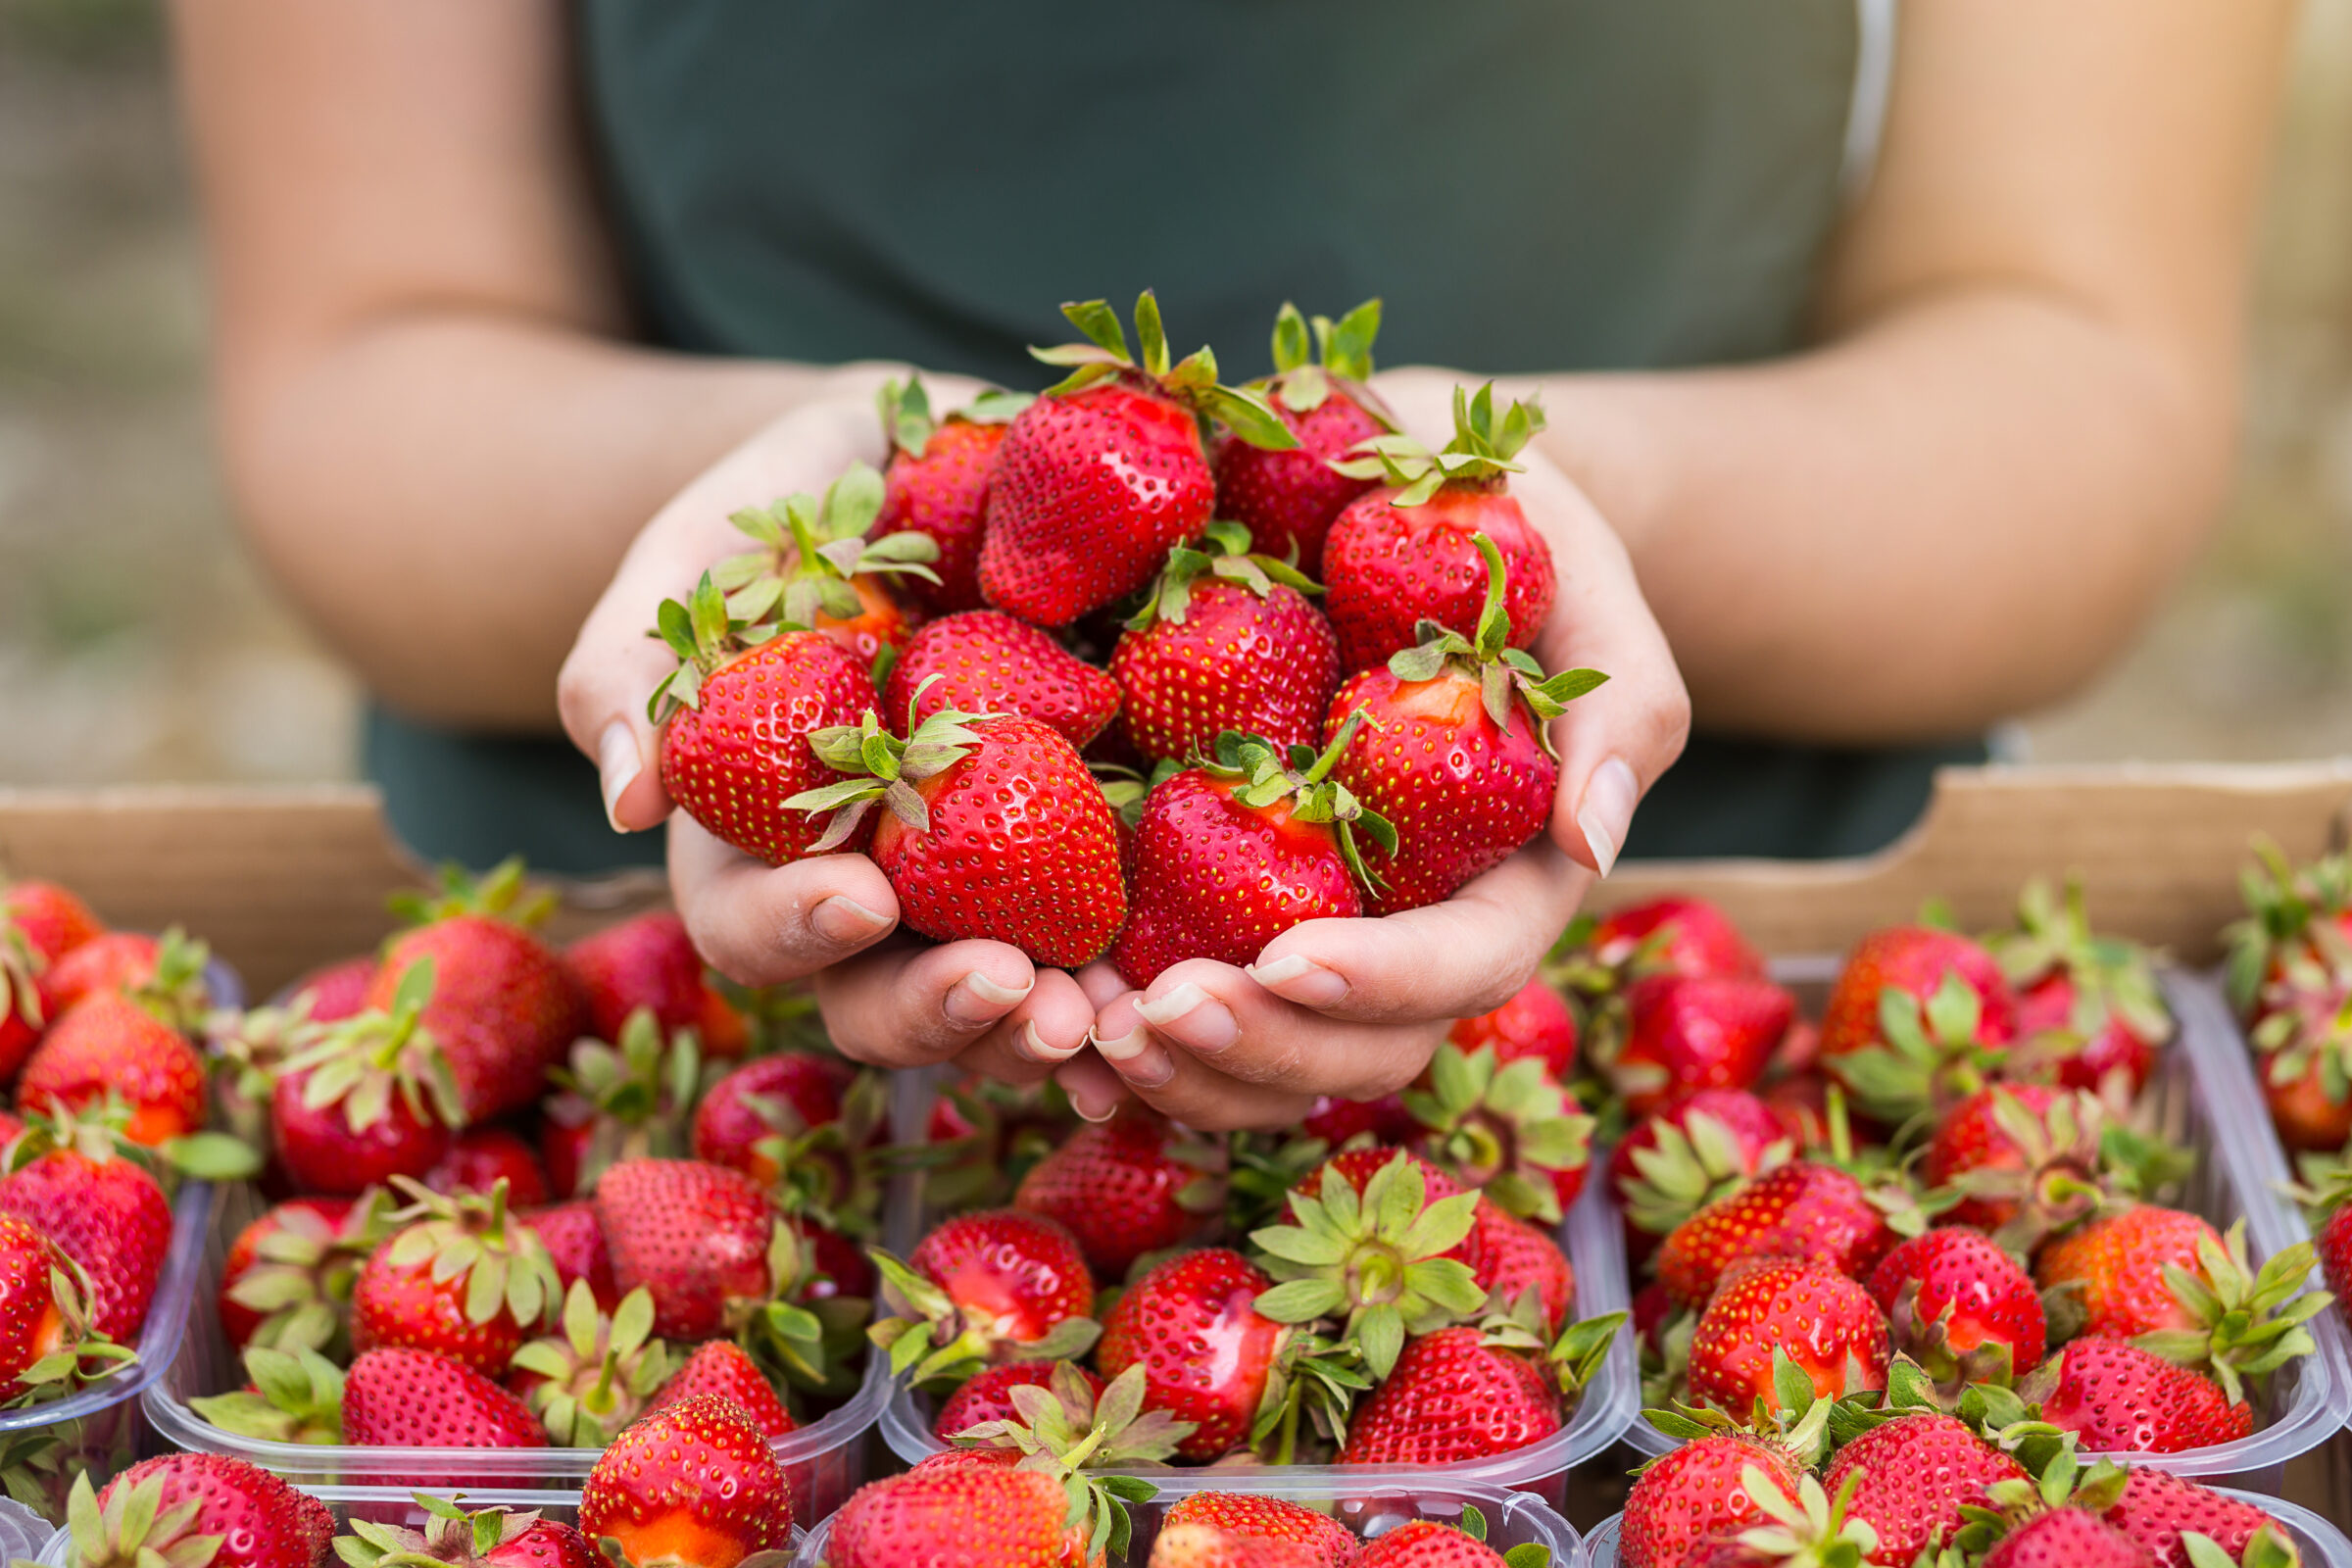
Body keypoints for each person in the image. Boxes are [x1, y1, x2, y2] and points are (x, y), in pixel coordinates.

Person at [171, 1, 2290, 1130]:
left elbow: (2080, 378)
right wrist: (791, 512)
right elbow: (358, 372)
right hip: (659, 998)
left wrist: (1571, 484)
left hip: (1709, 1000)